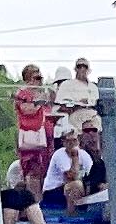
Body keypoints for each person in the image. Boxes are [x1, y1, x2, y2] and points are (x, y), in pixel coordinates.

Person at [13, 64, 55, 197]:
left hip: (43, 136)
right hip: (29, 136)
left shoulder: (41, 93)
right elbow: (27, 110)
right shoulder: (22, 93)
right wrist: (39, 103)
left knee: (44, 168)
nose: (39, 81)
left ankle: (41, 200)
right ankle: (33, 201)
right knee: (32, 170)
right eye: (36, 77)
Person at [44, 125, 93, 211]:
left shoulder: (84, 154)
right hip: (53, 190)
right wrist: (75, 158)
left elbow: (91, 172)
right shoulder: (59, 154)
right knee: (76, 185)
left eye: (74, 140)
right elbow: (71, 177)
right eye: (68, 141)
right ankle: (72, 215)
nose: (72, 144)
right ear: (63, 142)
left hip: (75, 186)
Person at [55, 59, 100, 135]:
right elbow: (60, 104)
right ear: (75, 69)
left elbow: (96, 103)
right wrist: (76, 103)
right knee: (77, 135)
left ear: (88, 69)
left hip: (92, 114)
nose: (82, 69)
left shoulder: (93, 87)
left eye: (85, 66)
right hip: (75, 113)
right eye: (79, 66)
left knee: (95, 134)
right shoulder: (67, 84)